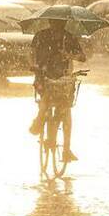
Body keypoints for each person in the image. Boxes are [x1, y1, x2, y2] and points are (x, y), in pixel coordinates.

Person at [29, 19, 86, 162]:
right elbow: (32, 53)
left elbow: (82, 57)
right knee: (62, 108)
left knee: (62, 108)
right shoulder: (47, 36)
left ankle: (40, 121)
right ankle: (65, 149)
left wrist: (69, 55)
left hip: (59, 78)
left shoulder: (64, 38)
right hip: (47, 76)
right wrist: (35, 65)